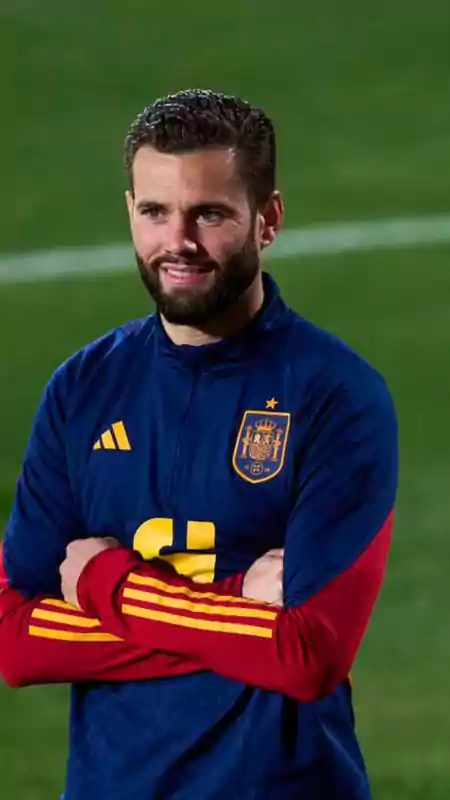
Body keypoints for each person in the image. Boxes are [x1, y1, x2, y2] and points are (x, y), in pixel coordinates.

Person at [0, 89, 398, 799]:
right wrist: (240, 600)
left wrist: (104, 585)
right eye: (154, 212)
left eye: (208, 213)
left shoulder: (338, 396)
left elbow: (309, 653)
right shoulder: (80, 391)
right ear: (129, 212)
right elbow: (14, 640)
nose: (176, 241)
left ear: (268, 219)